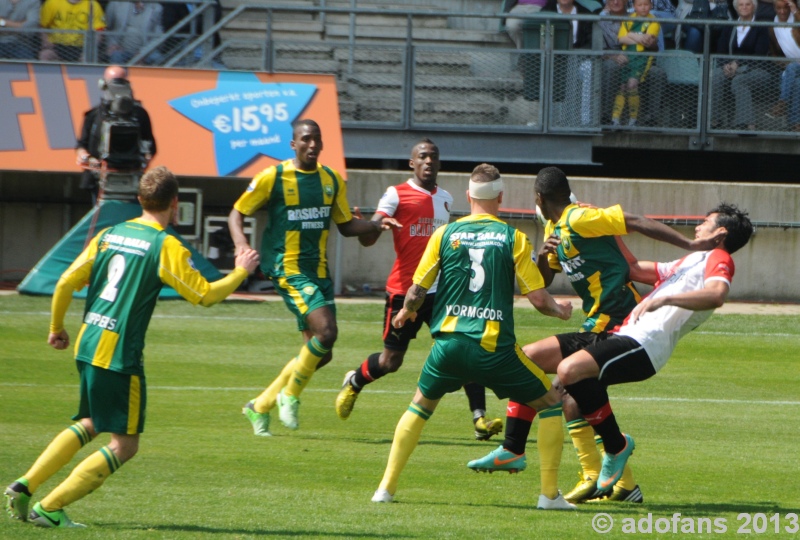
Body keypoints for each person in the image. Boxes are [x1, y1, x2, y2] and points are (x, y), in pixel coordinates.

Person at [2, 166, 260, 528]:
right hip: (119, 354)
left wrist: (56, 327)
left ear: (139, 200)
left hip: (89, 342)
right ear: (175, 203)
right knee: (125, 445)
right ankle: (50, 507)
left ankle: (24, 484)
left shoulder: (110, 234)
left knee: (91, 423)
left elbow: (64, 282)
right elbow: (204, 295)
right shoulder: (164, 244)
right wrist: (240, 271)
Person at [467, 166, 724, 504]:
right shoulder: (555, 228)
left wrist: (690, 243)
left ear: (539, 199)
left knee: (565, 386)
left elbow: (633, 221)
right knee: (542, 370)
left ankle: (587, 469)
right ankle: (619, 483)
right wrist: (545, 255)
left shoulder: (580, 218)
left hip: (618, 319)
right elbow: (543, 281)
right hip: (596, 321)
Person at [371, 163, 574, 509]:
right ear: (500, 197)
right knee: (552, 404)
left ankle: (385, 490)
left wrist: (406, 312)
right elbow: (538, 299)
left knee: (418, 407)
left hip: (447, 347)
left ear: (468, 197)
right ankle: (549, 496)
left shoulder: (445, 234)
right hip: (494, 349)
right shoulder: (513, 238)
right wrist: (560, 310)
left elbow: (418, 288)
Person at [557, 203, 753, 494]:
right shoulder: (692, 260)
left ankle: (614, 448)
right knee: (568, 391)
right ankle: (622, 486)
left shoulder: (719, 256)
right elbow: (634, 269)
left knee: (569, 370)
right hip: (629, 335)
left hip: (645, 345)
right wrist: (608, 227)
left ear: (720, 232)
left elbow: (716, 295)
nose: (698, 226)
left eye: (705, 221)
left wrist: (665, 300)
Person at [232, 119, 400, 436]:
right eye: (306, 139)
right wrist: (242, 246)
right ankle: (290, 395)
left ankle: (260, 405)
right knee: (327, 331)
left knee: (321, 353)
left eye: (317, 139)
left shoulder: (331, 180)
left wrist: (377, 225)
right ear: (293, 144)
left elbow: (347, 225)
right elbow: (237, 212)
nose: (312, 144)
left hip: (317, 271)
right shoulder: (274, 177)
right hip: (287, 267)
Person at [333, 139, 503, 441]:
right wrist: (374, 227)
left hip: (441, 292)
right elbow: (368, 237)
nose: (428, 161)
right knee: (390, 362)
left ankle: (480, 419)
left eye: (433, 157)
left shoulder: (447, 199)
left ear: (439, 163)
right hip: (403, 291)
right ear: (412, 163)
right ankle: (355, 381)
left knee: (462, 349)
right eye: (422, 157)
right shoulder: (395, 194)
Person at [76, 65, 156, 205]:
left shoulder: (140, 115)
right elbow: (81, 145)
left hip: (131, 178)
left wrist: (143, 162)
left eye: (120, 82)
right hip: (100, 180)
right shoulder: (94, 115)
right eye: (113, 82)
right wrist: (87, 159)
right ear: (103, 84)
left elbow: (150, 147)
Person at [600, 0, 667, 125]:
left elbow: (657, 49)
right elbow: (598, 50)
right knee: (610, 67)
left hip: (640, 57)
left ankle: (650, 120)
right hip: (613, 59)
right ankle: (606, 117)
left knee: (657, 72)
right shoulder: (601, 20)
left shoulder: (644, 17)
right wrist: (613, 56)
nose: (615, 2)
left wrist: (651, 43)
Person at [710, 0, 771, 131]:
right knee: (715, 75)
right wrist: (725, 66)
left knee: (739, 81)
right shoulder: (729, 26)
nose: (744, 7)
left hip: (757, 70)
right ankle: (714, 120)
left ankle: (747, 124)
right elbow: (721, 51)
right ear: (736, 7)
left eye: (748, 4)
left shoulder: (761, 27)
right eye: (741, 4)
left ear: (754, 7)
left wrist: (738, 64)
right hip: (731, 69)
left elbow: (759, 55)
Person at [767, 0, 800, 131]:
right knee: (798, 83)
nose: (782, 11)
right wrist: (784, 63)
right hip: (793, 68)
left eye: (785, 8)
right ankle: (795, 123)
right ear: (774, 8)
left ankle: (782, 102)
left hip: (794, 66)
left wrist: (796, 11)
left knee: (791, 68)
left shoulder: (796, 20)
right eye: (779, 8)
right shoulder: (772, 27)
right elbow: (773, 53)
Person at [39, 0, 106, 62]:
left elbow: (99, 31)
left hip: (82, 47)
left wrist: (88, 49)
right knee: (45, 55)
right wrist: (47, 44)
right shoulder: (52, 2)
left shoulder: (93, 5)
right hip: (56, 46)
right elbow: (41, 26)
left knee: (88, 58)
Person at [104, 1, 164, 65]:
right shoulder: (116, 3)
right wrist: (112, 44)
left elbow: (158, 35)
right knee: (115, 55)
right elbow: (107, 27)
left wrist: (143, 53)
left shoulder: (156, 8)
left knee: (157, 58)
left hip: (145, 51)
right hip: (121, 49)